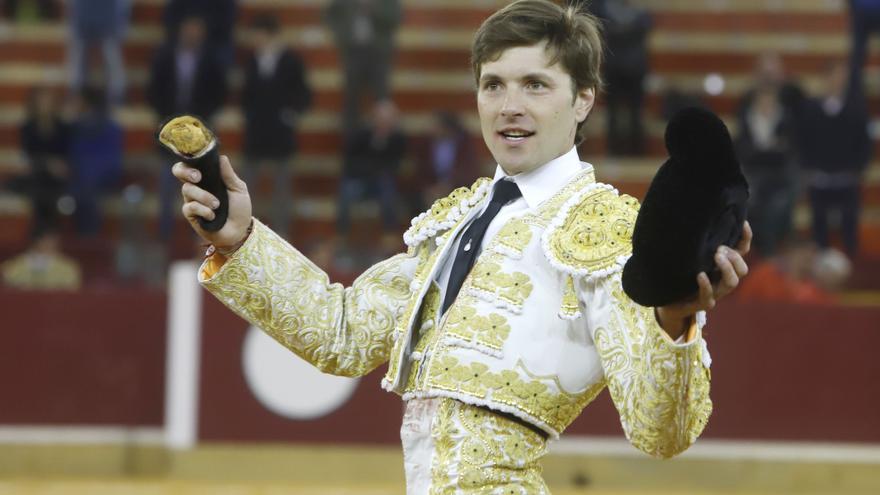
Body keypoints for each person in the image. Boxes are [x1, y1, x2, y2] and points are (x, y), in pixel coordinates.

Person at [172, 1, 750, 492]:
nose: (509, 106)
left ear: (584, 102)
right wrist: (241, 239)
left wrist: (675, 318)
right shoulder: (457, 218)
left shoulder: (608, 229)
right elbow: (341, 334)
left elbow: (661, 431)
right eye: (493, 84)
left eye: (536, 85)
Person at [147, 14, 228, 240]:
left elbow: (219, 94)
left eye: (196, 29)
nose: (192, 33)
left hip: (199, 135)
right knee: (166, 185)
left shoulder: (211, 60)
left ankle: (199, 236)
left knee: (201, 187)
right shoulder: (165, 56)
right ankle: (165, 236)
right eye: (188, 28)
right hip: (170, 133)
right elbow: (154, 90)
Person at [241, 13, 312, 239]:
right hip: (256, 132)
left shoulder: (291, 60)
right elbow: (246, 95)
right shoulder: (253, 61)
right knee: (248, 185)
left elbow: (304, 94)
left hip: (281, 133)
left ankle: (280, 232)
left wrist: (290, 114)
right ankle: (245, 230)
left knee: (281, 187)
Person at [797, 60, 871, 258]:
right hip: (819, 177)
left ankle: (851, 259)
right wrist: (808, 169)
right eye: (835, 76)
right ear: (826, 78)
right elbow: (802, 141)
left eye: (842, 77)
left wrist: (857, 169)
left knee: (849, 223)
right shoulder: (810, 108)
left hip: (847, 177)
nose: (838, 81)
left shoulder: (856, 108)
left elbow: (864, 142)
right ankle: (819, 260)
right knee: (819, 223)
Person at [734, 53, 802, 257]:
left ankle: (771, 254)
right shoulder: (746, 113)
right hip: (752, 177)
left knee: (777, 209)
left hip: (779, 179)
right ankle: (753, 254)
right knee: (749, 203)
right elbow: (744, 151)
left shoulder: (789, 111)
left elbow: (788, 152)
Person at [335, 99, 407, 249]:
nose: (385, 123)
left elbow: (396, 166)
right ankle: (341, 234)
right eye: (381, 120)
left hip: (381, 183)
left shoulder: (398, 139)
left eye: (389, 120)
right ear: (374, 119)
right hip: (360, 180)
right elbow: (349, 163)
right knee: (346, 192)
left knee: (388, 187)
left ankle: (389, 233)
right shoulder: (360, 135)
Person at [324, 0, 402, 134]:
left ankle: (384, 143)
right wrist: (340, 33)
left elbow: (395, 19)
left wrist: (373, 8)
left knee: (382, 99)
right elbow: (329, 13)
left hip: (379, 53)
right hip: (353, 51)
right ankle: (351, 143)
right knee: (351, 98)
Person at [7, 86, 71, 237]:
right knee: (39, 190)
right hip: (38, 171)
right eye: (41, 101)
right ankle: (42, 236)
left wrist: (58, 165)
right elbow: (29, 155)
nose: (45, 104)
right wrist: (47, 163)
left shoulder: (63, 127)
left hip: (56, 175)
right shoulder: (28, 127)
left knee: (51, 189)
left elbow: (67, 154)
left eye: (48, 101)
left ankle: (47, 235)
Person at [68, 86, 124, 236]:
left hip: (103, 176)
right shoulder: (74, 127)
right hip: (80, 177)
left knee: (87, 189)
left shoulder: (110, 127)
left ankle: (88, 238)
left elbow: (112, 160)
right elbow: (72, 156)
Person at [409, 111, 481, 215]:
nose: (432, 129)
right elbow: (421, 170)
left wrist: (448, 186)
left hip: (457, 189)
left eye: (436, 126)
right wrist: (430, 188)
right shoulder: (426, 144)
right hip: (431, 189)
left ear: (447, 128)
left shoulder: (464, 144)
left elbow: (468, 170)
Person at [66, 0, 131, 105]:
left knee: (111, 54)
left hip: (109, 13)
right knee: (78, 55)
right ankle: (76, 93)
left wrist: (120, 25)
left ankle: (117, 95)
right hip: (84, 11)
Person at [1, 229, 81, 290]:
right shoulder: (11, 267)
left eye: (51, 242)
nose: (48, 245)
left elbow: (71, 293)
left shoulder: (68, 268)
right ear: (35, 243)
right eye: (45, 241)